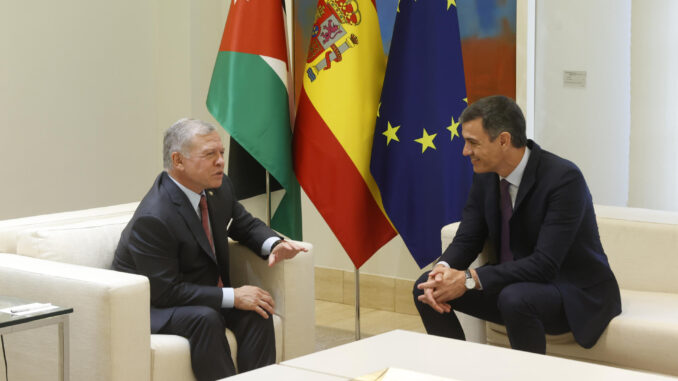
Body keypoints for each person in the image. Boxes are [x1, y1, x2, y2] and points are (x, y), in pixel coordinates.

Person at [413, 95, 621, 354]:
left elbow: (545, 265)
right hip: (512, 284)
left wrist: (468, 279)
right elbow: (468, 238)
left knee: (516, 299)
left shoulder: (563, 179)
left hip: (569, 290)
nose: (465, 152)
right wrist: (442, 271)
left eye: (472, 143)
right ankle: (456, 370)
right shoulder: (485, 176)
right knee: (425, 288)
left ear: (503, 140)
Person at [113, 118, 307, 380]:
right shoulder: (155, 216)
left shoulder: (218, 186)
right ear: (178, 161)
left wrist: (274, 244)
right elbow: (165, 292)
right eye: (209, 155)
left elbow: (241, 222)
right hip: (155, 305)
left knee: (258, 310)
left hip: (200, 295)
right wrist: (233, 296)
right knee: (205, 319)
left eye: (221, 153)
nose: (220, 162)